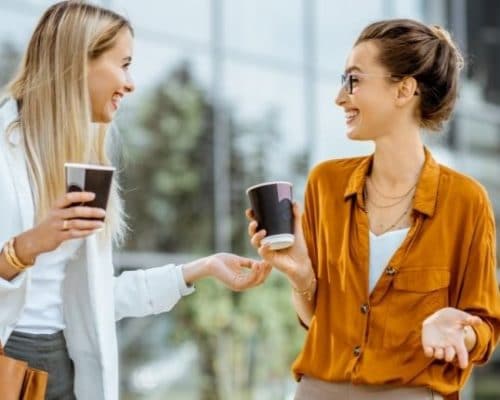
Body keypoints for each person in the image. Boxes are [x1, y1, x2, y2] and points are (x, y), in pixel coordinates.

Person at [0, 2, 271, 399]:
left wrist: (202, 268)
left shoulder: (84, 159)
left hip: (66, 365)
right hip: (10, 363)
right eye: (123, 64)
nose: (131, 83)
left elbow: (96, 301)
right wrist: (25, 248)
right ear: (78, 62)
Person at [248, 18, 500, 400]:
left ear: (404, 90)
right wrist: (301, 276)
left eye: (354, 80)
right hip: (318, 390)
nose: (340, 96)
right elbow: (318, 319)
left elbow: (484, 329)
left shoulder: (466, 201)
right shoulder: (325, 184)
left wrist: (458, 330)